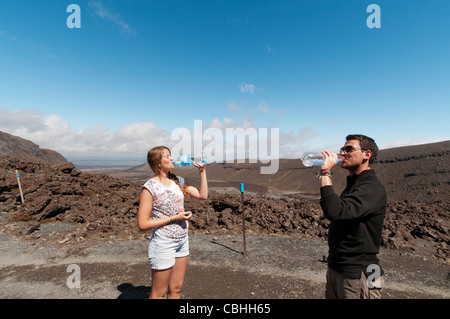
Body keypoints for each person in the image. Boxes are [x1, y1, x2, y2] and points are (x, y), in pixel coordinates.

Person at [318, 134, 387, 299]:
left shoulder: (371, 188)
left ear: (366, 154)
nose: (342, 153)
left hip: (360, 273)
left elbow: (335, 211)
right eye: (342, 149)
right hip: (340, 269)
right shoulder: (356, 185)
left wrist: (325, 172)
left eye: (349, 149)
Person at [138, 146, 208, 299]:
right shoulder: (149, 187)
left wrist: (202, 171)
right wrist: (174, 218)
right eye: (167, 156)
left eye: (171, 155)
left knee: (176, 289)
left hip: (182, 241)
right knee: (159, 293)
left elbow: (203, 195)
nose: (171, 158)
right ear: (158, 163)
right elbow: (142, 224)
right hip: (163, 243)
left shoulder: (178, 181)